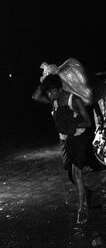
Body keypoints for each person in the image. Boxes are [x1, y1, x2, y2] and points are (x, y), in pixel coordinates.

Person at [32, 73, 93, 224]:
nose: (48, 95)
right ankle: (86, 193)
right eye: (47, 92)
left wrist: (71, 125)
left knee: (77, 173)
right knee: (70, 174)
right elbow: (35, 97)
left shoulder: (74, 100)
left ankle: (82, 210)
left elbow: (88, 123)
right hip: (65, 140)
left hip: (78, 138)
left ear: (60, 89)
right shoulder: (55, 100)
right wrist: (45, 80)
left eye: (51, 91)